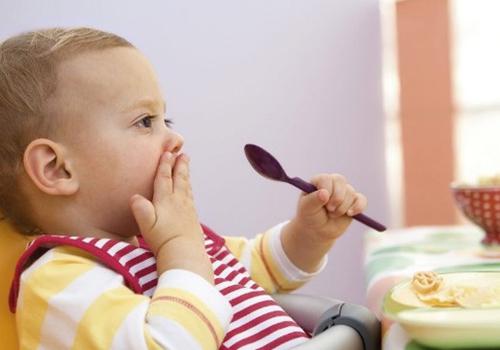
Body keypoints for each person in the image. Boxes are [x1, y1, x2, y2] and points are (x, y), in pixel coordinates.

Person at [0, 27, 367, 350]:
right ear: (57, 168)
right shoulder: (59, 285)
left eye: (166, 119)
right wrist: (181, 249)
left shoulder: (167, 242)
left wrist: (309, 234)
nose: (175, 138)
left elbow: (265, 269)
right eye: (145, 121)